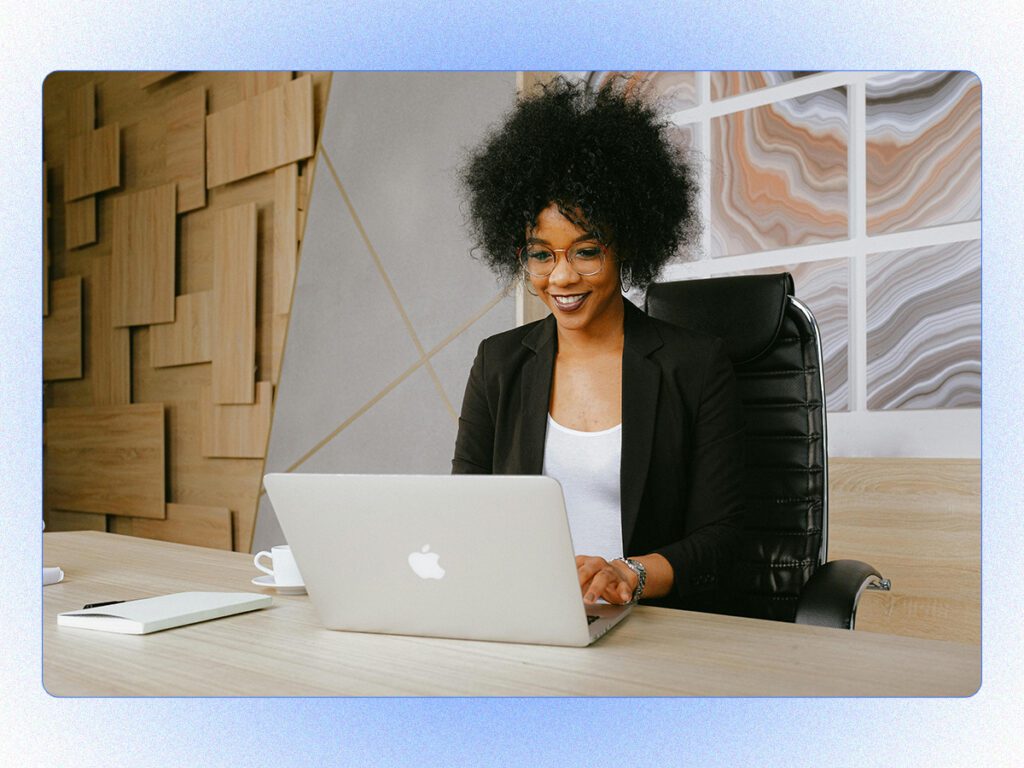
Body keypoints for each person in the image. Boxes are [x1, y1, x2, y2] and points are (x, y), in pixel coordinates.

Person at [452, 76, 744, 613]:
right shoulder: (500, 362)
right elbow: (466, 508)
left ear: (626, 245)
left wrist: (628, 574)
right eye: (541, 255)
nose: (561, 277)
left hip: (652, 623)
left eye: (586, 251)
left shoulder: (695, 365)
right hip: (526, 612)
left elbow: (724, 537)